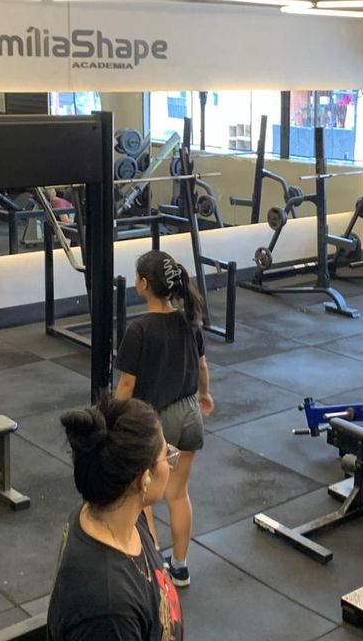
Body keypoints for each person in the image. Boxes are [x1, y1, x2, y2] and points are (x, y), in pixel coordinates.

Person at [114, 250, 213, 587]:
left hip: (156, 423)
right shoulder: (189, 320)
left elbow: (126, 385)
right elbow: (202, 367)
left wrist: (113, 418)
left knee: (141, 495)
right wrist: (205, 395)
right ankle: (180, 567)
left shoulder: (139, 330)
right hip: (190, 416)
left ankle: (154, 565)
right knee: (177, 493)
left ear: (143, 284)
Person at [48, 396, 184, 641]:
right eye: (166, 455)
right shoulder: (110, 611)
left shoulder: (118, 515)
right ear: (144, 480)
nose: (170, 464)